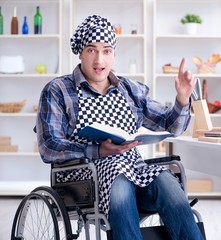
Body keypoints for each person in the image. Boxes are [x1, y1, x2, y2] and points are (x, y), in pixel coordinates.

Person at [36, 14, 203, 240]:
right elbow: (49, 147)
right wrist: (98, 151)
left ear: (114, 53)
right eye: (91, 50)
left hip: (134, 170)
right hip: (84, 181)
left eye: (106, 51)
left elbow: (169, 125)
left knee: (167, 180)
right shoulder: (58, 90)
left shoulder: (130, 89)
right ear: (80, 52)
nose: (99, 60)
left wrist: (182, 100)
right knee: (118, 177)